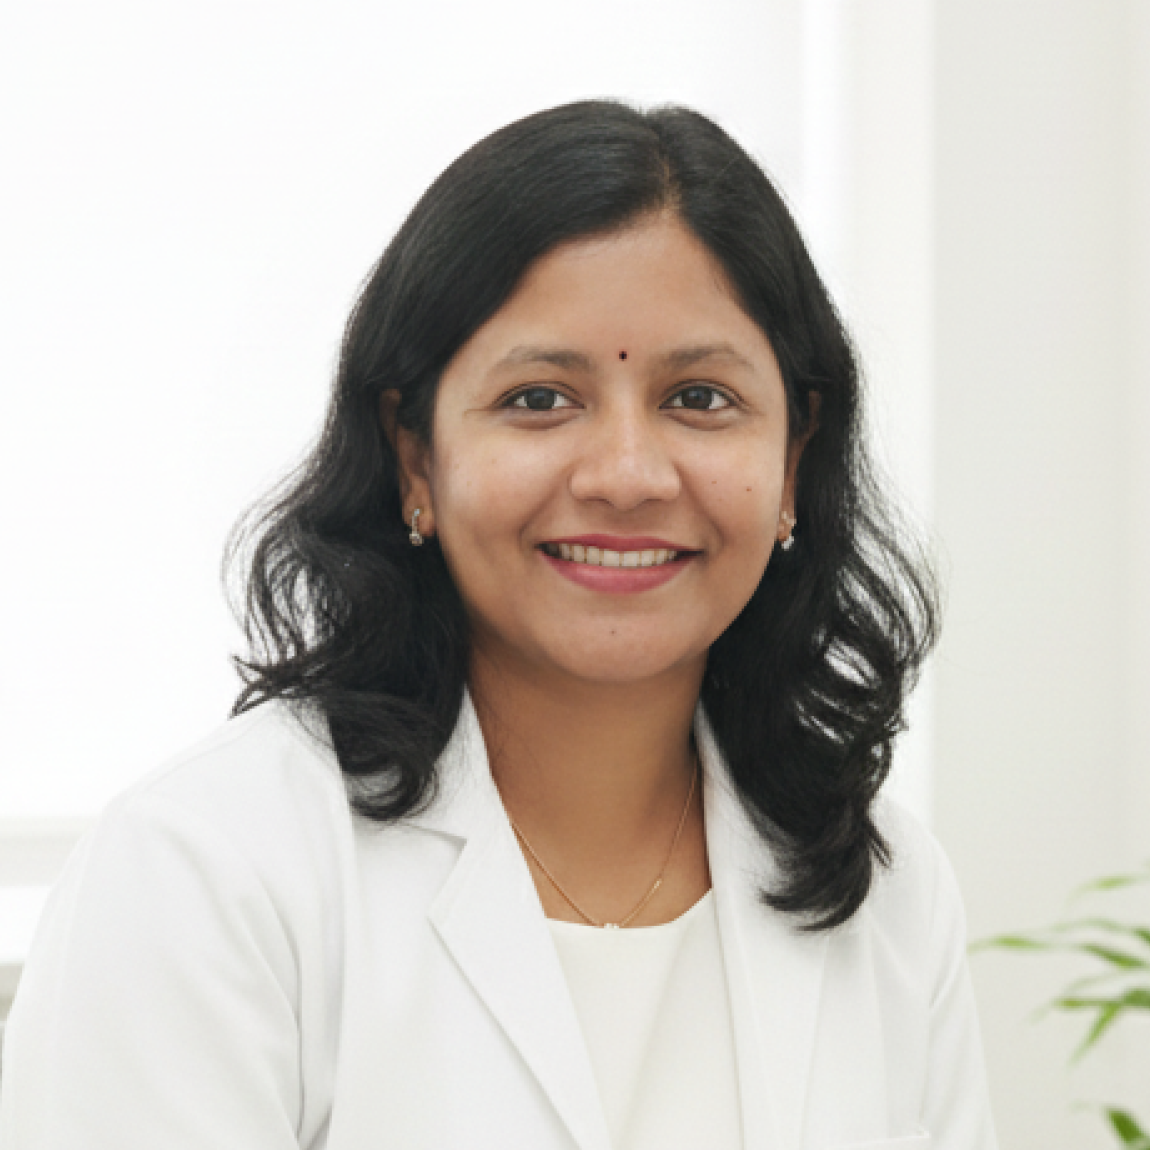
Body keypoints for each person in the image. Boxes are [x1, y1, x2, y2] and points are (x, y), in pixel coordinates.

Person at [0, 100, 997, 1150]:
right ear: (414, 457)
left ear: (792, 459)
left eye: (699, 397)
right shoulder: (201, 871)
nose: (626, 475)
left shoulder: (889, 891)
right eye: (538, 398)